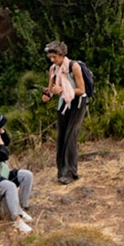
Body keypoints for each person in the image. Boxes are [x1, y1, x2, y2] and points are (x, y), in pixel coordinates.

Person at [43, 40, 86, 183]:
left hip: (77, 103)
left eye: (54, 57)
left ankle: (71, 172)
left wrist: (63, 90)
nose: (52, 60)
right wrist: (47, 95)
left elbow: (81, 90)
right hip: (63, 104)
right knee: (61, 136)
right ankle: (61, 170)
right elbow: (50, 89)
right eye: (51, 57)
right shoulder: (53, 69)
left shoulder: (74, 67)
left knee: (71, 135)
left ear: (62, 55)